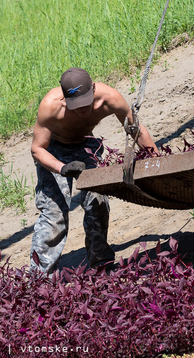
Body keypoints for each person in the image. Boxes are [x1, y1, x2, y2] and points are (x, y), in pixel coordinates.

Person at [29, 67, 157, 274]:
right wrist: (62, 168)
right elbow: (37, 149)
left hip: (85, 146)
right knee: (54, 214)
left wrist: (156, 160)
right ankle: (39, 279)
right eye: (75, 105)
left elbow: (135, 129)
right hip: (53, 152)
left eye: (85, 102)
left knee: (98, 202)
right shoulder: (51, 106)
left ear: (94, 89)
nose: (82, 109)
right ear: (64, 99)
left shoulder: (109, 98)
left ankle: (101, 265)